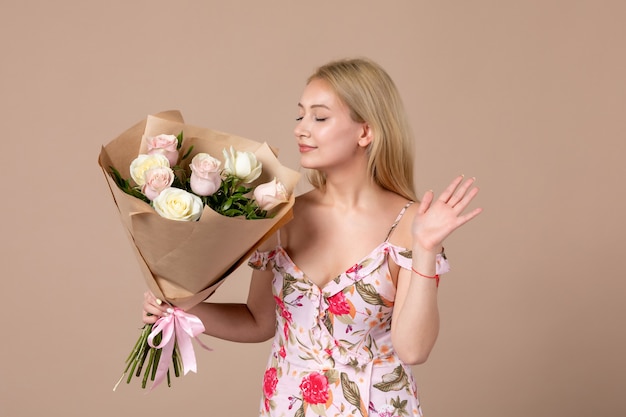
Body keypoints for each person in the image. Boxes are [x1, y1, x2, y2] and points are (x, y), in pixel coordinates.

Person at [143, 57, 482, 416]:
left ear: (365, 132)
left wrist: (426, 249)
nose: (301, 129)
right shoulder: (278, 218)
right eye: (300, 116)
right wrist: (180, 310)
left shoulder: (413, 224)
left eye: (319, 117)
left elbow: (413, 350)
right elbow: (259, 322)